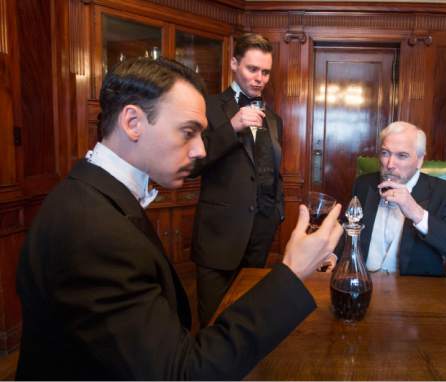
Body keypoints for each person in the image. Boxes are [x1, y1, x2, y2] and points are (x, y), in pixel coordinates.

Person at [16, 57, 344, 380]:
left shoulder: (93, 195)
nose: (201, 150)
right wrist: (293, 270)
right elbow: (182, 373)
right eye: (188, 132)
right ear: (132, 122)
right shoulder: (93, 232)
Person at [190, 33, 285, 327]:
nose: (259, 78)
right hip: (219, 236)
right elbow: (192, 164)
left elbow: (271, 171)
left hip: (260, 232)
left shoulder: (274, 118)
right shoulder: (206, 106)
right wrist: (232, 127)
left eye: (265, 72)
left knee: (247, 316)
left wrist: (277, 212)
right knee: (213, 321)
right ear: (234, 63)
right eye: (252, 69)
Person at [346, 121, 446, 276]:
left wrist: (417, 213)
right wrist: (331, 256)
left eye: (402, 155)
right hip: (362, 283)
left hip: (413, 293)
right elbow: (347, 228)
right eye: (385, 153)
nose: (390, 164)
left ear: (419, 160)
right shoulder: (364, 184)